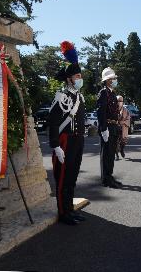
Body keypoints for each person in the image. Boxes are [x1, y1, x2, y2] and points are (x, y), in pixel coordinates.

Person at [47, 41, 86, 225]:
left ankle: (70, 209)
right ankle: (63, 213)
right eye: (77, 76)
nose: (80, 78)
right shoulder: (61, 96)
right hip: (64, 141)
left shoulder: (79, 97)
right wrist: (55, 145)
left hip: (77, 141)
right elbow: (53, 123)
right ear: (69, 78)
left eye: (80, 75)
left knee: (72, 177)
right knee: (63, 179)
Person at [97, 67, 122, 188]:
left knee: (111, 154)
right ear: (107, 80)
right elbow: (100, 112)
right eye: (113, 78)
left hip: (113, 126)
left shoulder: (112, 93)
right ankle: (105, 179)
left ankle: (110, 176)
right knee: (106, 154)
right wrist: (103, 129)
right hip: (107, 126)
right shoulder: (103, 93)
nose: (115, 80)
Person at [116, 95, 131, 160]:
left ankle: (122, 149)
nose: (119, 102)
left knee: (123, 141)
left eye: (120, 101)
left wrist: (123, 122)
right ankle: (116, 155)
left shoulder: (126, 110)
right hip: (115, 127)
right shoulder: (113, 109)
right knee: (115, 142)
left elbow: (128, 119)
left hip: (123, 128)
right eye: (118, 101)